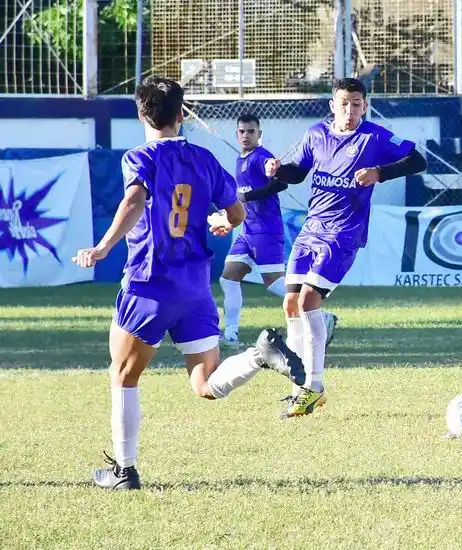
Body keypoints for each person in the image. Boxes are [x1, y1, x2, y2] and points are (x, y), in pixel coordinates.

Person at [72, 76, 304, 490]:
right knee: (204, 383)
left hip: (149, 283)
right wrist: (219, 220)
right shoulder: (205, 158)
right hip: (196, 287)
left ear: (141, 114)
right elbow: (235, 214)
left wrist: (104, 246)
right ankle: (258, 356)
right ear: (182, 116)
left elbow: (134, 200)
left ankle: (125, 471)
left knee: (123, 376)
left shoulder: (138, 157)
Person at [264, 77, 427, 418]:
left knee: (308, 300)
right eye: (344, 103)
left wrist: (379, 173)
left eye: (356, 103)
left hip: (344, 232)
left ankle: (315, 386)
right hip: (311, 230)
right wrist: (277, 172)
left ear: (364, 105)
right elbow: (297, 173)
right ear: (332, 105)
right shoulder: (316, 135)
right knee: (291, 303)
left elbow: (417, 161)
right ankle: (300, 385)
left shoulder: (375, 137)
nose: (350, 110)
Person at [219, 113, 337, 350]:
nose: (245, 135)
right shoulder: (239, 159)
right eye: (242, 131)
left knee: (273, 283)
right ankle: (231, 334)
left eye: (251, 131)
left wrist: (248, 196)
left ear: (259, 134)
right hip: (247, 231)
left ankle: (319, 314)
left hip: (266, 230)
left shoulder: (262, 157)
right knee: (228, 279)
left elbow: (281, 182)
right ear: (236, 134)